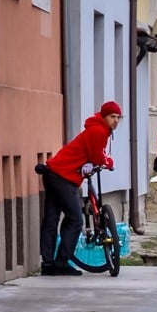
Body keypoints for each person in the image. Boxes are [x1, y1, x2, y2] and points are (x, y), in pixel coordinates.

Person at [36, 101, 120, 276]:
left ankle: (48, 264)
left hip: (52, 173)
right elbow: (98, 156)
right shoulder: (99, 131)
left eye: (118, 117)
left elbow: (91, 154)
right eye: (112, 117)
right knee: (75, 220)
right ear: (104, 117)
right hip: (63, 177)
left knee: (51, 219)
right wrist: (107, 161)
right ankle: (61, 263)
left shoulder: (95, 128)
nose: (116, 121)